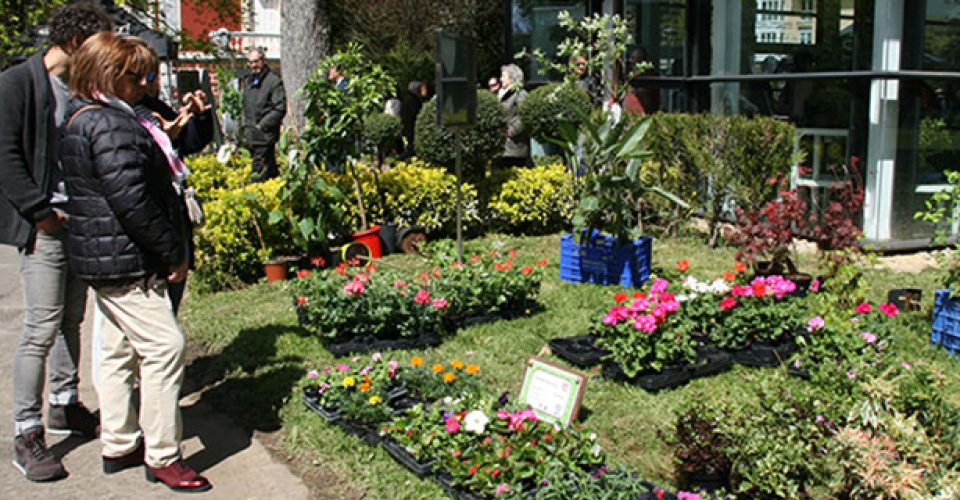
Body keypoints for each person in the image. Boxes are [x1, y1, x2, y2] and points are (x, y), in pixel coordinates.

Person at [59, 32, 210, 492]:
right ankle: (163, 455)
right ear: (110, 75)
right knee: (165, 348)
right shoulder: (108, 124)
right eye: (140, 76)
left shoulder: (86, 117)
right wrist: (171, 251)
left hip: (106, 257)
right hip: (127, 258)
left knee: (117, 349)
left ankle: (120, 440)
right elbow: (133, 201)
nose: (148, 84)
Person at [0, 1, 110, 482]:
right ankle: (27, 431)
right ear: (72, 44)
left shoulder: (80, 87)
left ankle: (65, 402)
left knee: (71, 318)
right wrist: (40, 213)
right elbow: (4, 156)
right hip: (45, 226)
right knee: (40, 327)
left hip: (77, 223)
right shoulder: (17, 84)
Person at [241, 48, 285, 181]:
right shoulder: (249, 81)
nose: (253, 65)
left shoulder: (273, 81)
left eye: (256, 61)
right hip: (251, 135)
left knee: (258, 172)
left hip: (264, 136)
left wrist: (262, 125)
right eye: (250, 62)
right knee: (270, 171)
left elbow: (280, 107)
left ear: (263, 61)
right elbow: (246, 107)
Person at [497, 64, 530, 168]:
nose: (501, 79)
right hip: (502, 148)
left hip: (515, 148)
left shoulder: (521, 94)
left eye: (503, 76)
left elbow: (524, 115)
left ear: (512, 78)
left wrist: (511, 130)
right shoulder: (501, 94)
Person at [399, 80, 424, 160]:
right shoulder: (412, 100)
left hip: (408, 126)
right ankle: (401, 159)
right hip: (411, 126)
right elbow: (415, 113)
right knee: (411, 146)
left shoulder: (407, 98)